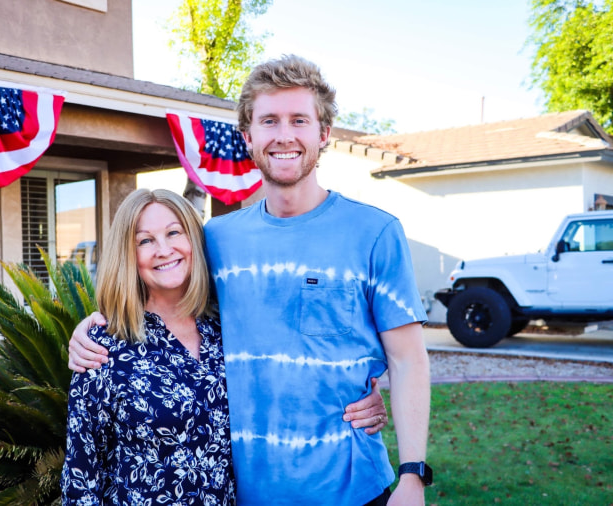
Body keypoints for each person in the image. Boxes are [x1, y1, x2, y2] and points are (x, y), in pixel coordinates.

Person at [70, 54, 429, 506]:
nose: (284, 135)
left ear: (323, 133)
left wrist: (413, 474)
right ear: (248, 137)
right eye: (269, 121)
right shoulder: (216, 239)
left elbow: (410, 360)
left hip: (354, 489)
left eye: (299, 120)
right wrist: (93, 325)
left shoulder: (376, 233)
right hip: (246, 494)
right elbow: (161, 286)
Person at [61, 189, 235, 505]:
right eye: (145, 241)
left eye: (173, 233)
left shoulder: (228, 329)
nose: (163, 249)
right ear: (129, 255)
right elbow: (81, 479)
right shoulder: (103, 348)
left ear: (193, 240)